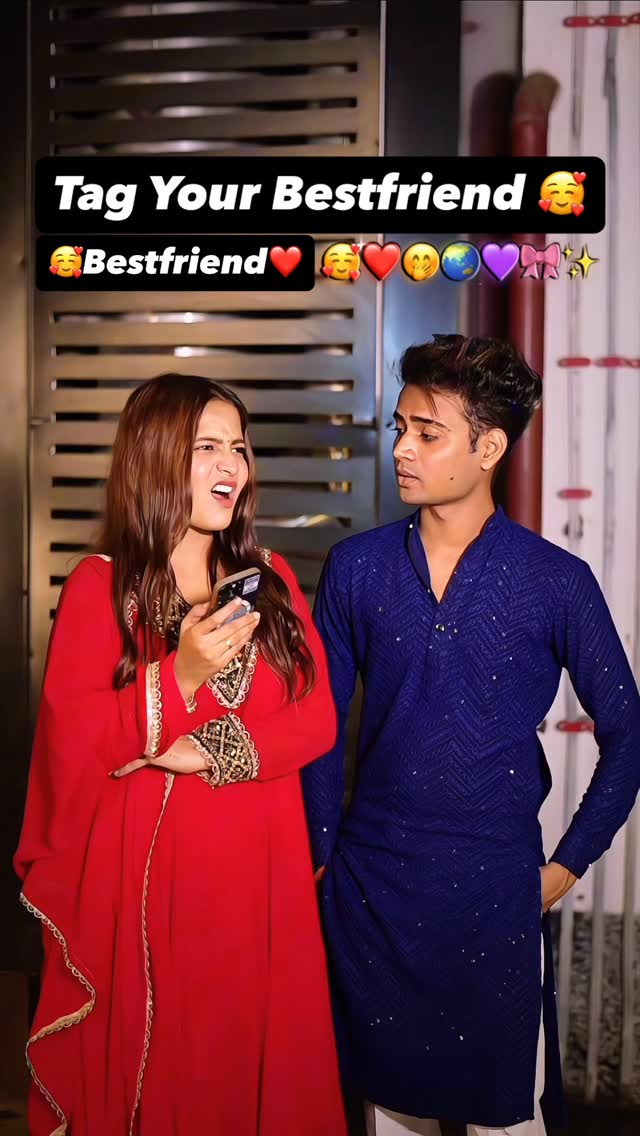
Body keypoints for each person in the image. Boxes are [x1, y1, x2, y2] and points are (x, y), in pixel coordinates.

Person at [302, 335, 640, 1136]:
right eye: (400, 427)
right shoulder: (355, 567)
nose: (401, 448)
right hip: (371, 894)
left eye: (427, 432)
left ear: (488, 448)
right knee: (389, 1120)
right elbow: (318, 727)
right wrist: (318, 862)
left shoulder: (555, 581)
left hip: (494, 897)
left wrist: (565, 865)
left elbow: (628, 734)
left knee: (508, 1120)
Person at [15, 374, 347, 1136]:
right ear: (157, 455)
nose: (232, 464)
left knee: (258, 1069)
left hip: (264, 887)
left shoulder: (271, 581)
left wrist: (214, 748)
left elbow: (319, 719)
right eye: (207, 447)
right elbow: (74, 745)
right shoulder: (102, 588)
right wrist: (180, 675)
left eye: (239, 447)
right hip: (158, 894)